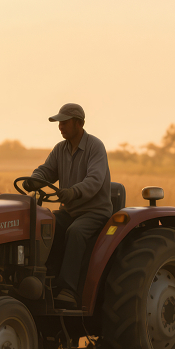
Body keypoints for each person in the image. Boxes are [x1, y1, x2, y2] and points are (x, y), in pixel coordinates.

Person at [24, 103, 112, 306]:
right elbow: (46, 170)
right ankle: (45, 279)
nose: (60, 127)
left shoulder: (95, 147)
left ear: (78, 123)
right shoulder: (60, 149)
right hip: (70, 210)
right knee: (45, 225)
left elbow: (95, 180)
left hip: (94, 211)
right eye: (59, 123)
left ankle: (69, 290)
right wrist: (34, 179)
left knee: (76, 232)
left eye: (64, 122)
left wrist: (74, 192)